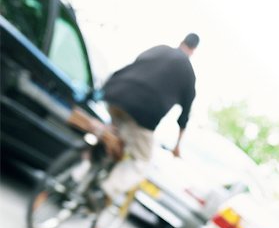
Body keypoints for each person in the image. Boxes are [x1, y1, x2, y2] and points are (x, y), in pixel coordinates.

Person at [69, 33, 200, 207]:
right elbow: (184, 117)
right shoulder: (189, 74)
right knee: (141, 162)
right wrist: (177, 146)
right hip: (143, 115)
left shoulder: (159, 49)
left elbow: (132, 66)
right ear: (193, 50)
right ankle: (105, 190)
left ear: (181, 41)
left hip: (116, 94)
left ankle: (75, 177)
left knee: (110, 139)